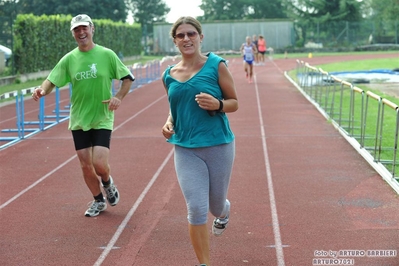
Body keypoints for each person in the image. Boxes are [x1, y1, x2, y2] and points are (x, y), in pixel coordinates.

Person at [32, 14, 135, 217]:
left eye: (84, 28)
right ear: (73, 33)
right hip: (79, 119)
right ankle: (98, 201)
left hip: (102, 117)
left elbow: (127, 79)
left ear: (92, 29)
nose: (81, 33)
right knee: (85, 164)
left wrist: (118, 97)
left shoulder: (107, 55)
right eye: (76, 30)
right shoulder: (69, 59)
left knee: (99, 164)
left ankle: (107, 182)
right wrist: (42, 90)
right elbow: (51, 80)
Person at [161, 16, 238, 266]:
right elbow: (176, 107)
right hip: (185, 149)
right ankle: (204, 263)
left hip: (218, 145)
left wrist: (217, 104)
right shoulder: (169, 74)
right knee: (196, 208)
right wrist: (169, 122)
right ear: (174, 41)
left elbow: (233, 102)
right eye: (181, 35)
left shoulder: (216, 65)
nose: (186, 39)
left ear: (200, 37)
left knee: (215, 206)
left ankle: (224, 213)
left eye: (191, 34)